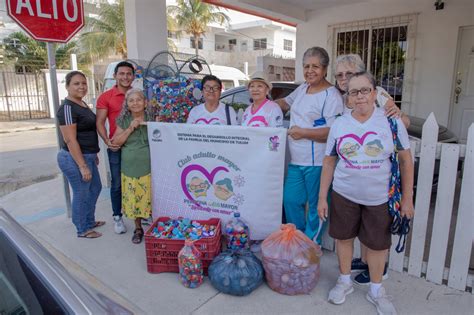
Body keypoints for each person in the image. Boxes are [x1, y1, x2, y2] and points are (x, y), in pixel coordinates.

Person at [318, 72, 414, 314]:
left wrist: (407, 198)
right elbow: (329, 160)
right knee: (344, 238)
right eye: (353, 92)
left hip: (379, 197)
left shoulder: (391, 121)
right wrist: (322, 197)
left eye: (364, 90)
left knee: (378, 245)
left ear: (374, 93)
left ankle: (376, 290)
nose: (359, 96)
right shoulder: (340, 124)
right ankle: (344, 281)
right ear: (347, 97)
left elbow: (405, 160)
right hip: (344, 193)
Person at [334, 54, 411, 284]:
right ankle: (365, 261)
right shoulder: (340, 95)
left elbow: (402, 121)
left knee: (375, 228)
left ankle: (379, 268)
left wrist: (394, 117)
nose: (344, 78)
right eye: (340, 75)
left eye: (349, 73)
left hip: (376, 168)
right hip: (351, 168)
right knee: (361, 226)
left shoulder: (376, 95)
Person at [275, 47, 344, 245]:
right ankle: (298, 240)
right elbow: (284, 103)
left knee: (316, 207)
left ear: (324, 69)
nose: (310, 70)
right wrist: (260, 103)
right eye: (306, 66)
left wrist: (304, 132)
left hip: (318, 163)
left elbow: (333, 132)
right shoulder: (302, 89)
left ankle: (311, 245)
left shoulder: (332, 95)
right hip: (297, 161)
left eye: (315, 66)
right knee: (290, 200)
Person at [57, 71, 103, 238]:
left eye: (83, 83)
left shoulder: (81, 104)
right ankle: (82, 229)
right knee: (81, 192)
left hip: (87, 156)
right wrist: (82, 166)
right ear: (67, 86)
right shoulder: (67, 108)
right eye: (76, 83)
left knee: (95, 188)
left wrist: (93, 154)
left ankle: (89, 221)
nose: (81, 86)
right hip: (74, 159)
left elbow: (87, 132)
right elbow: (70, 140)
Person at [96, 61, 135, 234]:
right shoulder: (106, 97)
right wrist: (106, 140)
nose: (125, 77)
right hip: (116, 146)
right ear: (115, 76)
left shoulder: (138, 95)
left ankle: (139, 215)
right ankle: (117, 217)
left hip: (137, 146)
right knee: (117, 184)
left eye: (129, 74)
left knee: (137, 181)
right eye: (122, 73)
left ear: (133, 76)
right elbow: (99, 122)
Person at [111, 89, 152, 244]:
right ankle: (138, 228)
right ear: (127, 105)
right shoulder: (124, 120)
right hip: (131, 166)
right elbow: (116, 142)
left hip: (151, 166)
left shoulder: (152, 118)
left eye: (139, 100)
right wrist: (131, 128)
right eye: (131, 100)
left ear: (145, 102)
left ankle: (156, 227)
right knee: (135, 198)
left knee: (151, 197)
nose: (135, 103)